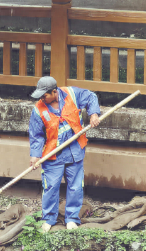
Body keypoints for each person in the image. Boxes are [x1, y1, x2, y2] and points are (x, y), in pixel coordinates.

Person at [28, 76, 100, 232]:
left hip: (74, 151)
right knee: (51, 186)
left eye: (44, 95)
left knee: (75, 186)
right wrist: (35, 156)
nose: (42, 98)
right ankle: (48, 218)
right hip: (52, 154)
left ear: (54, 92)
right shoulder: (38, 109)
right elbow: (36, 135)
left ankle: (72, 218)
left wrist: (94, 114)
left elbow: (91, 96)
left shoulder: (72, 94)